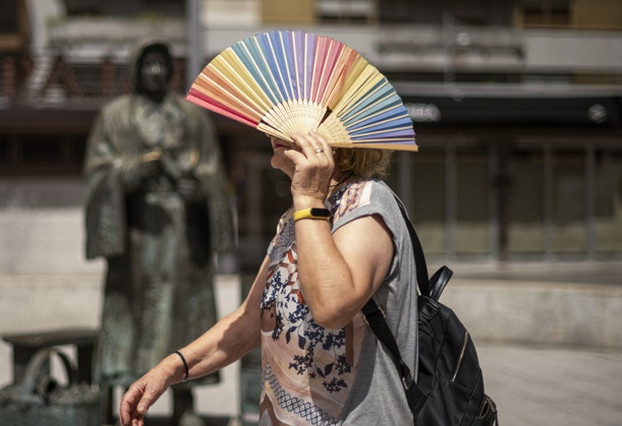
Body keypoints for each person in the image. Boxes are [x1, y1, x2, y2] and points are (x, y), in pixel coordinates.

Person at [120, 132, 419, 425]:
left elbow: (332, 308)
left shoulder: (366, 202)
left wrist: (307, 198)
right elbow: (251, 319)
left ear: (335, 135)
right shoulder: (295, 217)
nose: (275, 130)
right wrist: (169, 369)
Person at [83, 40, 235, 426]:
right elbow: (97, 174)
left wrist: (200, 190)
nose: (155, 72)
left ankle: (185, 403)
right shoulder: (114, 117)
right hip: (136, 234)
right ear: (135, 70)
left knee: (186, 318)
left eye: (161, 64)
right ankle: (128, 401)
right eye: (147, 64)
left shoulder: (193, 118)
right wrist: (130, 173)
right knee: (130, 316)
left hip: (183, 235)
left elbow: (215, 174)